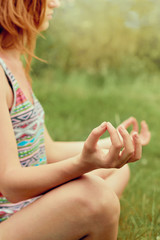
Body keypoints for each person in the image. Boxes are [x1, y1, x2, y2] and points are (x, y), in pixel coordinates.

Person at [0, 1, 151, 240]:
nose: (55, 3)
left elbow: (45, 150)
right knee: (97, 198)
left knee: (118, 173)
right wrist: (83, 164)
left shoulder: (14, 62)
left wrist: (111, 146)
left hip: (26, 204)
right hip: (8, 216)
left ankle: (80, 223)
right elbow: (10, 186)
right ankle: (88, 219)